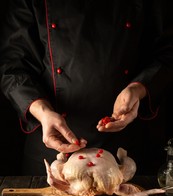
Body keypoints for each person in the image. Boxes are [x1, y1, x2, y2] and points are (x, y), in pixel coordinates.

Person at [0, 0, 173, 175]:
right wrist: (42, 111)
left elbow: (168, 52)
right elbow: (12, 67)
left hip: (124, 151)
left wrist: (137, 89)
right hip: (53, 149)